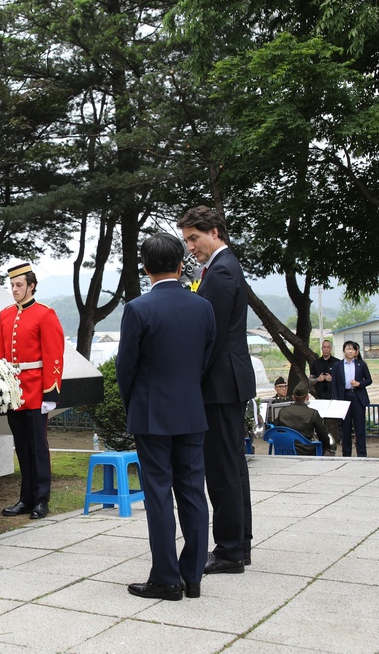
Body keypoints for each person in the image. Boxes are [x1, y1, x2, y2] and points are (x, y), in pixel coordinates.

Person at [117, 233, 217, 601]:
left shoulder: (138, 309)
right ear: (180, 265)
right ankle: (192, 576)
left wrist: (135, 405)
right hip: (192, 410)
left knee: (158, 495)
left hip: (151, 413)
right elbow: (205, 361)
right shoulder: (202, 307)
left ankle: (165, 578)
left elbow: (125, 368)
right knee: (193, 492)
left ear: (145, 268)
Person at [178, 206, 256, 575]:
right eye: (186, 241)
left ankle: (228, 550)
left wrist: (190, 377)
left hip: (220, 383)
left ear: (214, 232)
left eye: (194, 238)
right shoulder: (222, 267)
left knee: (222, 469)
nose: (190, 247)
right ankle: (239, 543)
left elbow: (212, 336)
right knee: (233, 467)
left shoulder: (222, 272)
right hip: (228, 380)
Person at [0, 262, 64, 520]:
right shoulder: (5, 315)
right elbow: (2, 355)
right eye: (12, 285)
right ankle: (26, 498)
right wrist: (3, 389)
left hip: (37, 389)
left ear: (31, 286)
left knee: (37, 446)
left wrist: (51, 392)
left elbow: (53, 354)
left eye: (19, 285)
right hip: (15, 391)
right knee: (22, 446)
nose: (14, 290)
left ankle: (41, 500)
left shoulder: (45, 314)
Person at [330, 340, 372, 457]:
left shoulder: (361, 364)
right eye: (348, 349)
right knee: (345, 428)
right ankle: (346, 454)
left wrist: (359, 384)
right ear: (344, 351)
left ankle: (362, 454)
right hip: (344, 397)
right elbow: (334, 384)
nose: (350, 351)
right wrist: (335, 400)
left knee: (360, 428)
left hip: (358, 396)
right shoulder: (337, 365)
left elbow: (369, 380)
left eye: (353, 349)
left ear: (356, 352)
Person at [276, 382, 331, 454]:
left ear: (293, 397)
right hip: (306, 451)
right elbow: (323, 436)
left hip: (286, 449)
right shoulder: (313, 413)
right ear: (307, 397)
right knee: (329, 452)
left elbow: (278, 431)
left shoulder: (282, 412)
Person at [309, 339, 341, 448]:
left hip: (333, 395)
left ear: (331, 348)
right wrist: (318, 379)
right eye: (324, 347)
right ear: (322, 348)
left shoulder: (337, 362)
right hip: (320, 395)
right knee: (321, 419)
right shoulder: (316, 363)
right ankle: (323, 440)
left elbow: (342, 379)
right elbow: (310, 380)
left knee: (335, 420)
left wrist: (332, 379)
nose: (326, 349)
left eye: (328, 347)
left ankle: (337, 439)